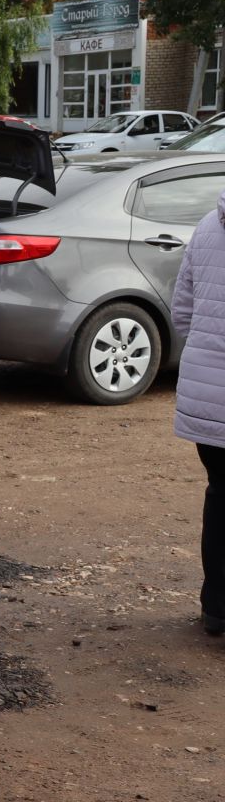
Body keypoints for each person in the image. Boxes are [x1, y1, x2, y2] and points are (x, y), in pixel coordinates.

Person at [172, 182, 225, 637]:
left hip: (207, 401)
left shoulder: (209, 224)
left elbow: (182, 315)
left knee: (220, 495)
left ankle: (216, 609)